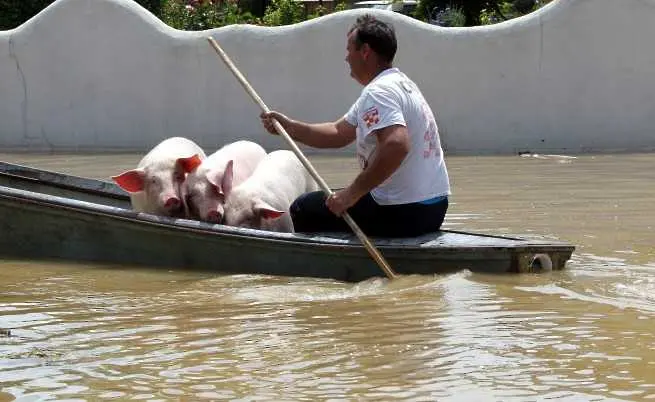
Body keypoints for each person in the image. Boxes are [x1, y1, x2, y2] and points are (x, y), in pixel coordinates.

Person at [260, 14, 450, 237]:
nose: (346, 58)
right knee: (333, 201)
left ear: (365, 51)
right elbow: (338, 133)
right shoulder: (400, 84)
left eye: (349, 49)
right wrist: (289, 127)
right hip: (434, 208)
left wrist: (351, 195)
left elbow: (397, 145)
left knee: (303, 208)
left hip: (403, 212)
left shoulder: (378, 92)